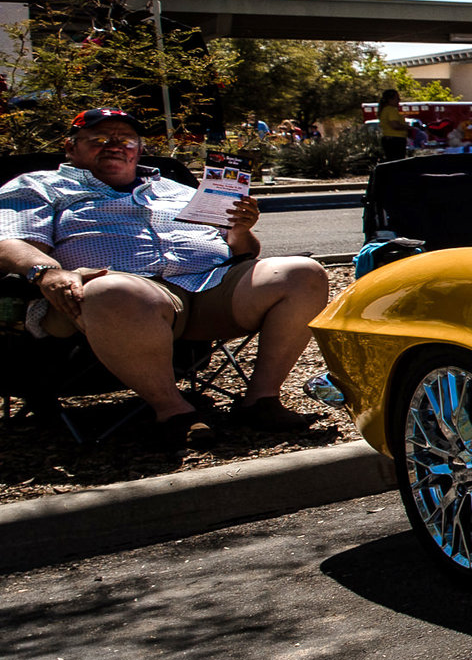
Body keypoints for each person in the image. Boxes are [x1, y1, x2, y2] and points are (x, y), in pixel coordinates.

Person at [0, 108, 333, 443]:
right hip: (121, 295)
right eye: (99, 138)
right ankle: (173, 411)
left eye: (126, 139)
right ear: (71, 148)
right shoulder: (38, 186)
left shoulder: (176, 188)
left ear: (139, 149)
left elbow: (242, 252)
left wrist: (240, 231)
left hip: (209, 286)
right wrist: (46, 272)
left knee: (302, 273)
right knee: (113, 290)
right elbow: (8, 241)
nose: (115, 145)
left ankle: (261, 399)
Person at [375, 88, 411, 162]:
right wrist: (408, 128)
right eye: (397, 98)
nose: (399, 100)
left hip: (389, 139)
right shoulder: (391, 110)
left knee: (391, 161)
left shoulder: (385, 110)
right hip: (395, 140)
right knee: (397, 162)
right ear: (390, 100)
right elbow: (395, 125)